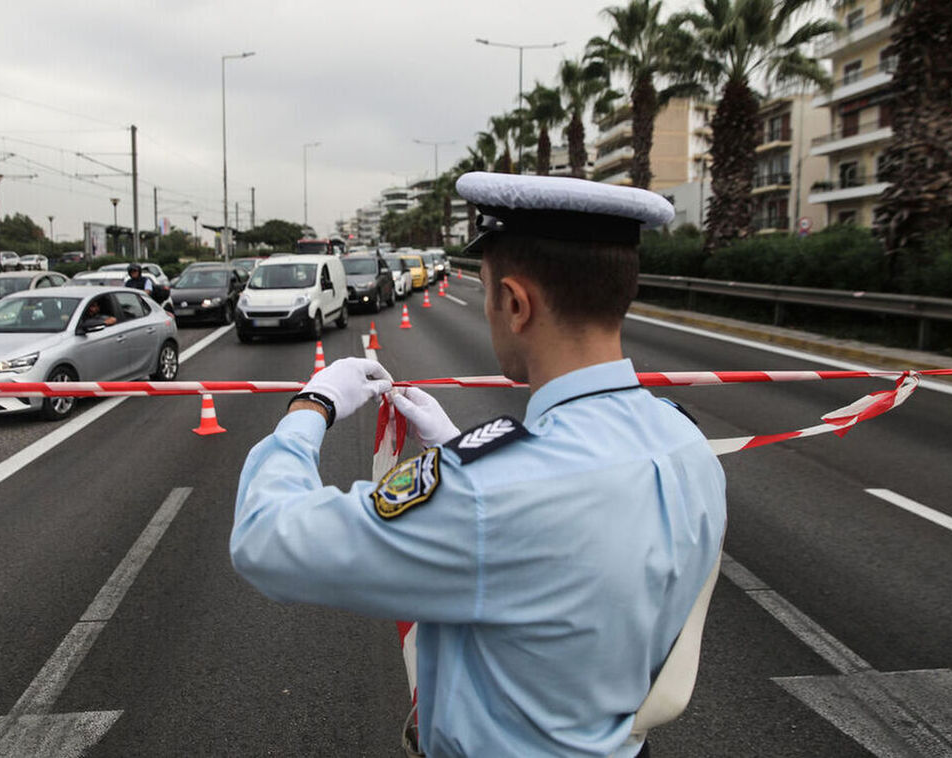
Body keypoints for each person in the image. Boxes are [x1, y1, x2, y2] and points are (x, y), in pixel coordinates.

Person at [231, 172, 727, 757]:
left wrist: (310, 408)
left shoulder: (487, 493)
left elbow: (267, 539)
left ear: (516, 304)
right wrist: (458, 449)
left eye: (489, 290)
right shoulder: (685, 441)